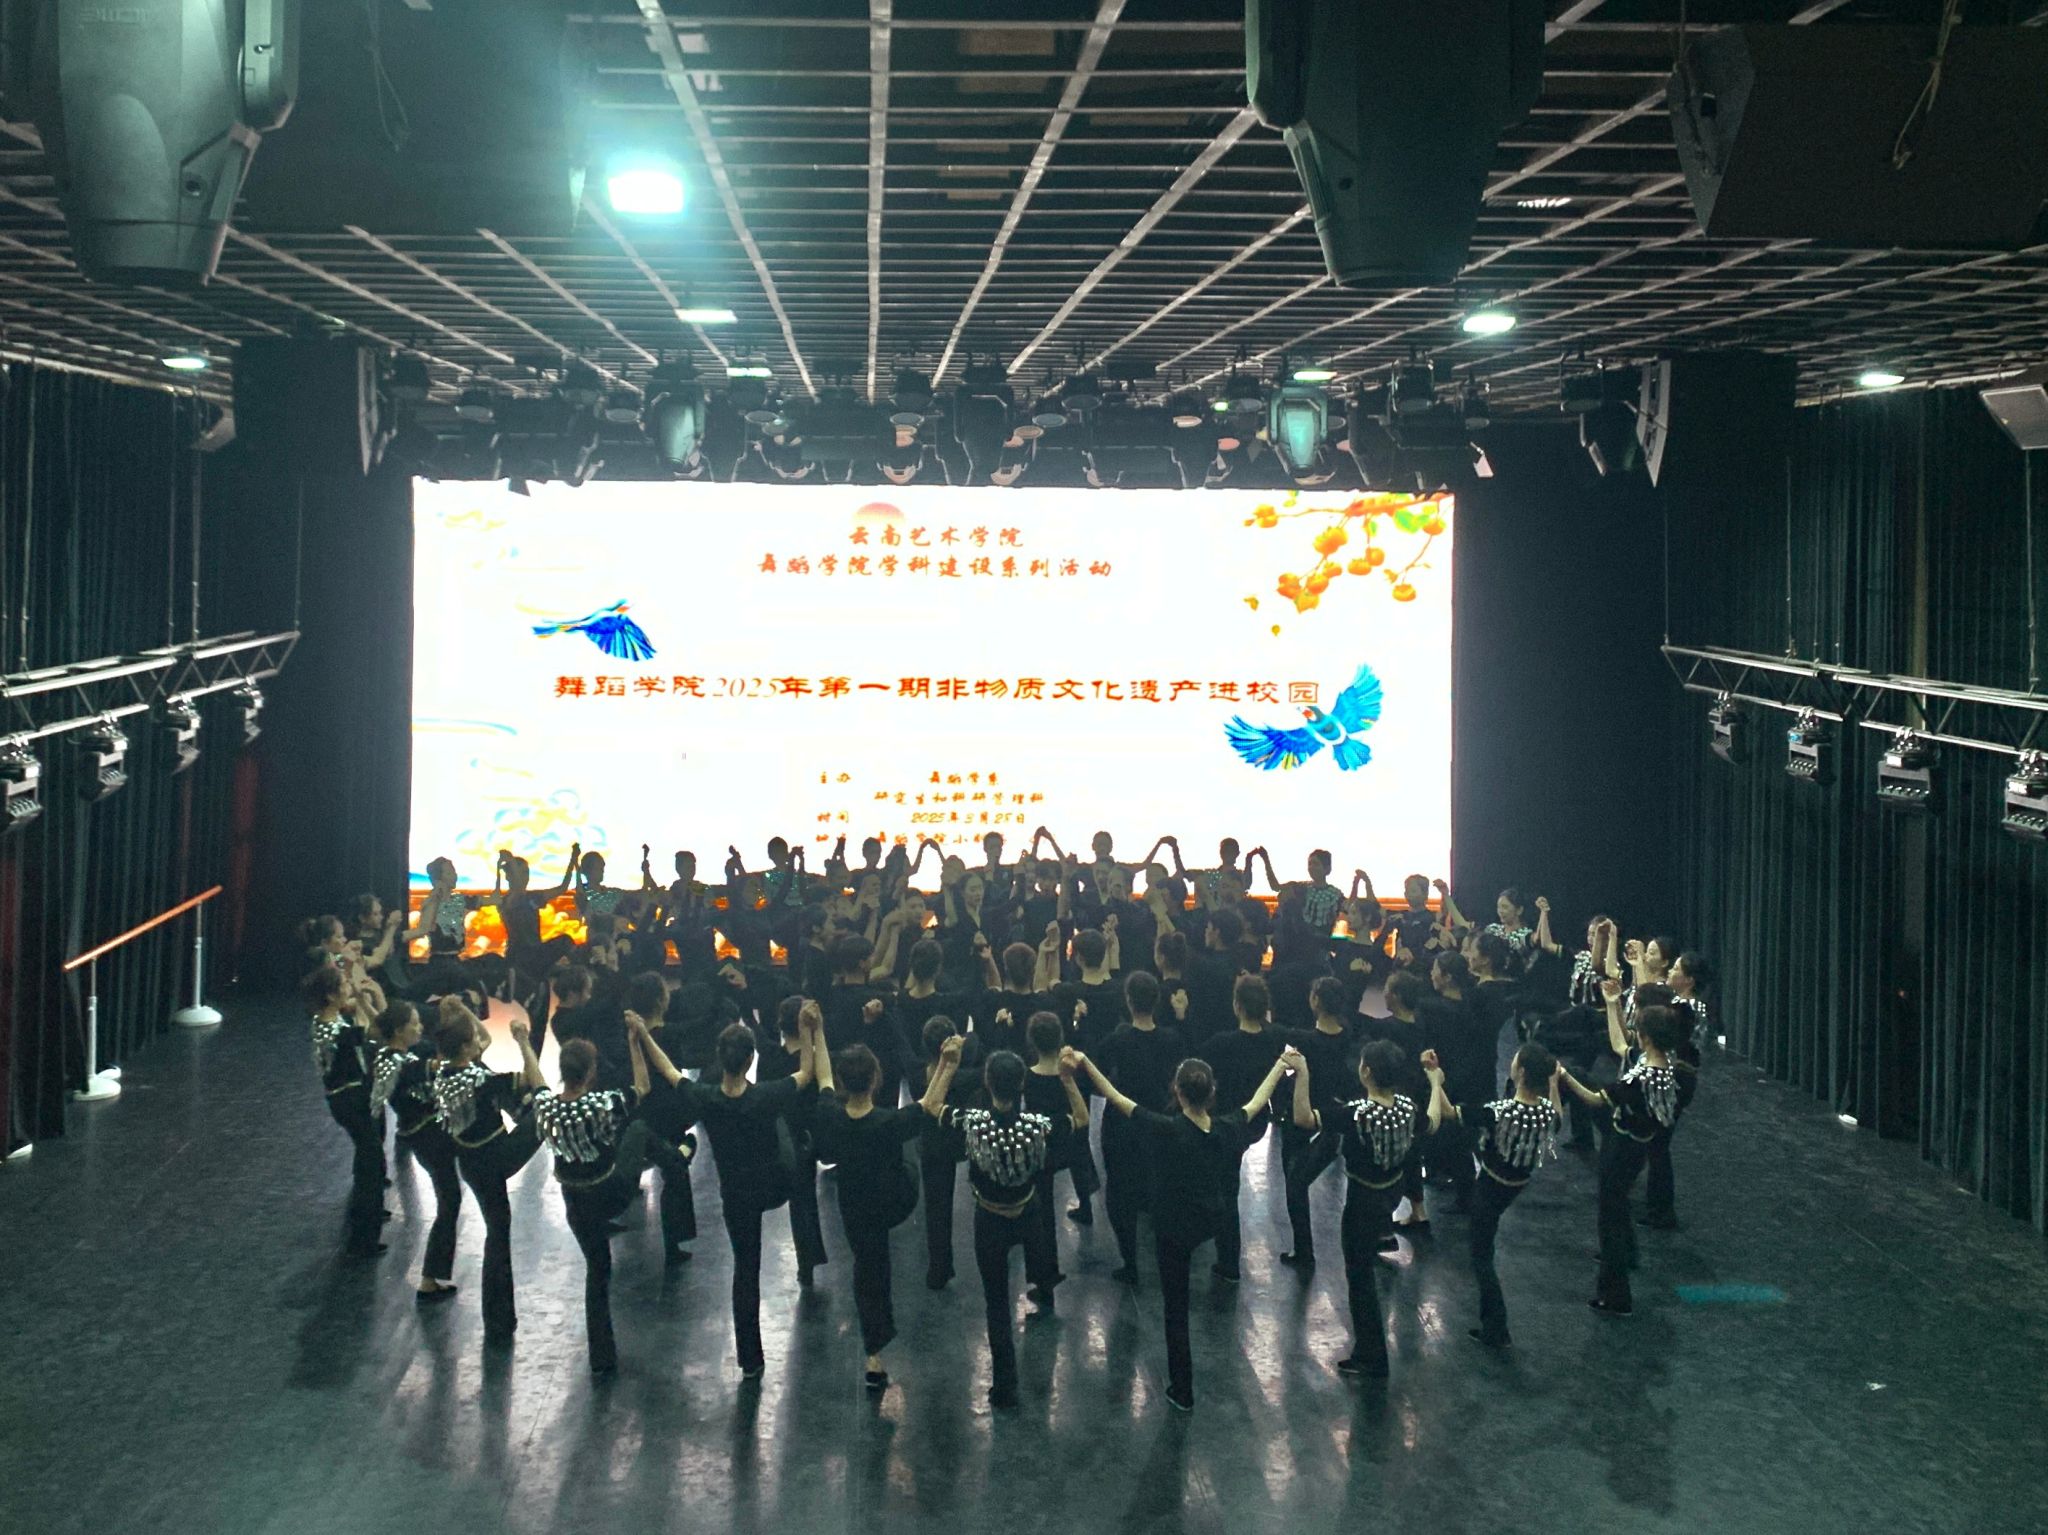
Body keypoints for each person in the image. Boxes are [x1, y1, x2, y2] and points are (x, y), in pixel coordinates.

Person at [1074, 1045, 1297, 1410]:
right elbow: (1257, 1102)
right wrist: (1280, 1065)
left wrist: (1085, 1063)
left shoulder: (1165, 1129)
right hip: (1210, 1219)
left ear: (1176, 1091)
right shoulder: (1227, 1128)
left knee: (1175, 1310)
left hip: (1173, 1228)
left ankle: (1182, 1389)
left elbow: (1115, 1098)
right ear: (1213, 1092)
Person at [919, 1036, 1087, 1409]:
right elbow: (1080, 1118)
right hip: (1028, 1212)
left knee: (996, 1304)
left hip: (989, 1219)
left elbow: (931, 1105)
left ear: (987, 1083)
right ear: (1022, 1083)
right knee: (1038, 1255)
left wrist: (948, 1064)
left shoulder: (973, 1124)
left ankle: (1005, 1385)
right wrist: (1067, 1079)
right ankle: (1044, 1282)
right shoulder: (1037, 1126)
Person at [654, 1010, 821, 1378]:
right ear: (750, 1060)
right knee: (787, 1132)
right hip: (775, 1186)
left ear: (720, 1057)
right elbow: (807, 1073)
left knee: (745, 1270)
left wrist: (642, 1035)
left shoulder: (706, 1097)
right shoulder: (766, 1096)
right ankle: (809, 1252)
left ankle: (751, 1360)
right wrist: (809, 1029)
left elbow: (669, 1072)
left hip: (736, 1196)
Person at [532, 1021, 695, 1376]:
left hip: (575, 1202)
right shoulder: (601, 1104)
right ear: (591, 1072)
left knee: (598, 1272)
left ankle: (602, 1357)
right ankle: (677, 1157)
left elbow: (536, 1083)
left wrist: (522, 1043)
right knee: (637, 1128)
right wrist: (635, 1042)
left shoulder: (546, 1107)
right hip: (610, 1191)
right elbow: (643, 1087)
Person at [1289, 1038, 1443, 1376]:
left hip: (1362, 1200)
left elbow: (1303, 1117)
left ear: (1367, 1072)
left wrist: (1302, 1073)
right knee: (1363, 1267)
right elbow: (1433, 1120)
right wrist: (1435, 1082)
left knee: (1359, 1276)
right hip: (1392, 1191)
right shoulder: (1407, 1108)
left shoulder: (1357, 1113)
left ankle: (1371, 1355)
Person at [812, 1040, 945, 1392]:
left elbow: (822, 1075)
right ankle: (875, 1346)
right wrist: (948, 1062)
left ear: (842, 1082)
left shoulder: (831, 1115)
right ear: (875, 1079)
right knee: (910, 1147)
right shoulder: (889, 1121)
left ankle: (874, 1351)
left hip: (854, 1206)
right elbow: (930, 1104)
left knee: (867, 1266)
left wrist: (817, 1031)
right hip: (893, 1201)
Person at [1560, 984, 1697, 1317]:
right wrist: (1611, 1005)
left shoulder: (1638, 1080)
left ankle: (1615, 1295)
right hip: (1638, 1144)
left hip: (1622, 1148)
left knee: (1610, 1215)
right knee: (1618, 1205)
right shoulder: (1666, 1067)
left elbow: (1595, 1099)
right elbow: (1620, 1045)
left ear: (1645, 1036)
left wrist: (1564, 1077)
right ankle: (1628, 1254)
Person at [1422, 1041, 1562, 1350]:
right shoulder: (1545, 1113)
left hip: (1490, 1187)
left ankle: (1496, 1326)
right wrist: (1554, 1085)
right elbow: (1558, 1116)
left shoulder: (1499, 1113)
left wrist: (1435, 1080)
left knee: (1481, 1257)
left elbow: (1449, 1112)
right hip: (1516, 1183)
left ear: (1521, 1072)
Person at [432, 1000, 545, 1344]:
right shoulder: (481, 1080)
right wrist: (524, 1042)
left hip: (469, 1162)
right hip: (495, 1159)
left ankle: (499, 1320)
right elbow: (537, 1083)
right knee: (542, 1108)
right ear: (466, 1048)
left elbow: (481, 1037)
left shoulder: (444, 1073)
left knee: (496, 1233)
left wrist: (462, 1013)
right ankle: (498, 1320)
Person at [1094, 971, 1187, 1283]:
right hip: (1161, 1120)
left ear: (1128, 1001)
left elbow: (1096, 1073)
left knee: (1119, 1192)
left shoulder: (1117, 1040)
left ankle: (1130, 1261)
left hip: (1122, 1122)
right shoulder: (1173, 1039)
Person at [369, 999, 461, 1299]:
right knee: (449, 1200)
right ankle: (430, 1277)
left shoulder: (394, 1055)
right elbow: (431, 1067)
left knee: (449, 1199)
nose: (420, 1027)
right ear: (399, 1030)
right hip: (429, 1139)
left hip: (424, 1136)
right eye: (414, 1023)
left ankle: (432, 1276)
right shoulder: (401, 1064)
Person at [1198, 973, 1287, 1281]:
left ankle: (1228, 1261)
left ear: (1237, 1006)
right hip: (1256, 1121)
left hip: (1226, 1122)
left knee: (1227, 1190)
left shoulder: (1221, 1044)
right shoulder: (1274, 1039)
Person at [1279, 976, 1360, 1268]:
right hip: (1332, 1120)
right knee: (1300, 1179)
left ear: (1315, 1001)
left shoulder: (1301, 1039)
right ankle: (1303, 1251)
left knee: (1294, 1184)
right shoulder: (1349, 1034)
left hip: (1301, 1119)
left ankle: (1304, 1251)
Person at [306, 965, 385, 1257]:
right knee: (370, 1164)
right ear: (331, 994)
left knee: (366, 1156)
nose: (348, 988)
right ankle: (363, 1238)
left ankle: (364, 1215)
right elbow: (379, 1030)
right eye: (344, 984)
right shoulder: (341, 1032)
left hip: (341, 1099)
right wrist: (368, 998)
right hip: (352, 1100)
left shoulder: (322, 1021)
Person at [757, 996, 829, 1284]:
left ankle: (807, 1261)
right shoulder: (816, 1059)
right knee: (804, 1199)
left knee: (797, 1198)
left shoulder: (769, 1057)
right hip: (806, 1138)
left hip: (777, 1136)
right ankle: (808, 1261)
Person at [911, 1014, 980, 1290]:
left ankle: (938, 1268)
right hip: (965, 1139)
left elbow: (899, 1042)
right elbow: (977, 1040)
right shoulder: (966, 1077)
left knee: (936, 1208)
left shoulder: (916, 1075)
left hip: (933, 1146)